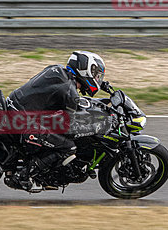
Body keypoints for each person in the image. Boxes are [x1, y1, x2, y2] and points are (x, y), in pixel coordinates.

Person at [6, 50, 108, 191]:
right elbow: (68, 126)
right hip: (24, 123)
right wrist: (95, 127)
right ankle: (24, 175)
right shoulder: (69, 92)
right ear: (86, 71)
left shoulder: (58, 70)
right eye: (97, 76)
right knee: (68, 147)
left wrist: (104, 86)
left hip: (15, 107)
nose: (98, 79)